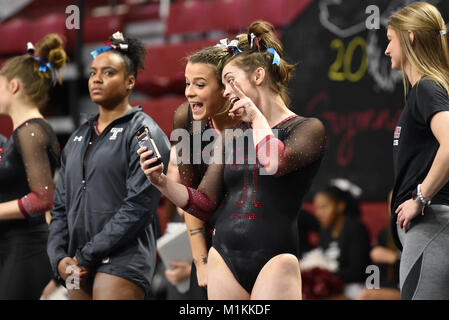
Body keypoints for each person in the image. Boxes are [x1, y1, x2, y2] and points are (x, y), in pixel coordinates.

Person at [139, 20, 326, 299]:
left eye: (230, 81)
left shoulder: (308, 128)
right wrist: (161, 181)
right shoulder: (231, 136)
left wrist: (255, 116)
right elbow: (203, 203)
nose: (226, 92)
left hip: (274, 259)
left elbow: (274, 163)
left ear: (259, 76)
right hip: (223, 256)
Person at [47, 31, 171, 300]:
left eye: (108, 72)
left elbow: (138, 206)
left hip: (122, 259)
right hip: (76, 262)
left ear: (130, 81)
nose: (97, 79)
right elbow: (59, 208)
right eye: (93, 73)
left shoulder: (143, 132)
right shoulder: (77, 137)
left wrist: (85, 255)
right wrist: (59, 258)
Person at [169, 43, 245, 298]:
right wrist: (201, 262)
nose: (189, 93)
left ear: (226, 87)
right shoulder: (187, 120)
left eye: (199, 85)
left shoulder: (251, 122)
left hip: (251, 243)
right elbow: (190, 196)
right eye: (187, 83)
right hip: (209, 244)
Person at [385, 2, 449, 300]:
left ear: (409, 37)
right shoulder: (424, 91)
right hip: (430, 228)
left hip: (432, 224)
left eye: (390, 39)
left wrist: (420, 197)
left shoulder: (427, 88)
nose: (387, 50)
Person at [0, 34, 66, 299]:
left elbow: (42, 199)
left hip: (26, 248)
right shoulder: (20, 134)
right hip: (12, 246)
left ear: (14, 86)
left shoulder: (32, 132)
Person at [313, 182, 371, 299]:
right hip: (331, 286)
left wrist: (325, 275)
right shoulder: (324, 231)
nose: (319, 213)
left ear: (340, 205)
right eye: (317, 208)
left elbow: (358, 271)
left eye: (324, 207)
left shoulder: (356, 228)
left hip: (357, 287)